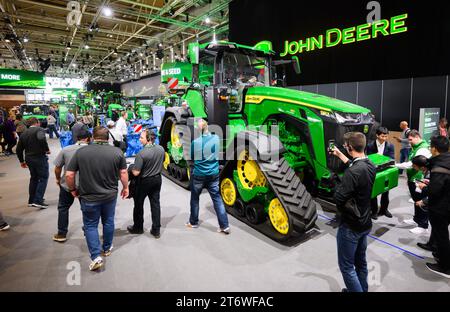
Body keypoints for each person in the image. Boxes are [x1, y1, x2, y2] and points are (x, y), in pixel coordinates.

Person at [66, 126, 129, 271]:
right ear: (108, 138)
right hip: (110, 195)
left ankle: (95, 256)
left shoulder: (81, 152)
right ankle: (107, 248)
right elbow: (124, 172)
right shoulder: (117, 152)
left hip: (88, 196)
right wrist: (125, 187)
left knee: (90, 225)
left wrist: (72, 189)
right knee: (108, 221)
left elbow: (69, 175)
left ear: (93, 137)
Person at [332, 132, 376, 292]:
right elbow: (356, 166)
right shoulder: (370, 165)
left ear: (349, 147)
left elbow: (339, 198)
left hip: (350, 226)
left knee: (347, 267)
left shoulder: (352, 173)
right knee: (361, 262)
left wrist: (336, 183)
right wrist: (340, 155)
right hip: (365, 222)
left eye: (345, 147)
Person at [186, 119, 230, 234]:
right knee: (217, 199)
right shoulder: (216, 139)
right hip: (213, 174)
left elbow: (191, 157)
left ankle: (193, 222)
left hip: (199, 175)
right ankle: (224, 226)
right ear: (207, 127)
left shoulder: (195, 142)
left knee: (195, 199)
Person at [52, 129, 91, 243]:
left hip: (67, 185)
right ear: (88, 139)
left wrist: (58, 179)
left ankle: (61, 233)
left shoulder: (66, 150)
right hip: (86, 185)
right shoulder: (91, 151)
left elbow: (58, 167)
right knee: (87, 209)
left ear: (76, 138)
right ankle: (89, 230)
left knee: (63, 208)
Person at [127, 129, 165, 238]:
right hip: (157, 180)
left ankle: (138, 228)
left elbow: (136, 172)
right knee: (155, 204)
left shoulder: (141, 153)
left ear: (148, 139)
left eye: (141, 137)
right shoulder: (161, 149)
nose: (139, 139)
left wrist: (131, 168)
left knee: (138, 205)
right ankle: (156, 230)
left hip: (144, 182)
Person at [395, 130, 432, 234]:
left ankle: (423, 226)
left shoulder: (422, 148)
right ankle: (416, 219)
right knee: (416, 200)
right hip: (413, 178)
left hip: (419, 180)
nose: (409, 142)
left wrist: (396, 165)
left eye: (411, 140)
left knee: (421, 202)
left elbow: (412, 164)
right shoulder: (416, 146)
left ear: (417, 137)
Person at [425, 136, 450, 278]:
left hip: (441, 207)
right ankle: (438, 252)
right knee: (442, 234)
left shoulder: (439, 168)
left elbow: (434, 191)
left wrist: (425, 187)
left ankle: (445, 266)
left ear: (434, 149)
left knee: (442, 236)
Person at [16, 117, 50, 209]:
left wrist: (21, 161)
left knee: (34, 178)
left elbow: (18, 149)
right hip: (39, 157)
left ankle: (31, 200)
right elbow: (41, 139)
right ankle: (38, 200)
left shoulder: (24, 133)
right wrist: (46, 149)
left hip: (29, 158)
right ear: (37, 122)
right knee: (43, 178)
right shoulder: (39, 129)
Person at [366, 127, 395, 219]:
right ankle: (374, 211)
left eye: (386, 136)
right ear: (377, 135)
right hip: (373, 172)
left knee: (386, 192)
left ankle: (384, 209)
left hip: (385, 172)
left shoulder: (390, 146)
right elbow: (370, 159)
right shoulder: (370, 145)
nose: (384, 138)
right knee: (373, 192)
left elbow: (391, 159)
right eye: (382, 136)